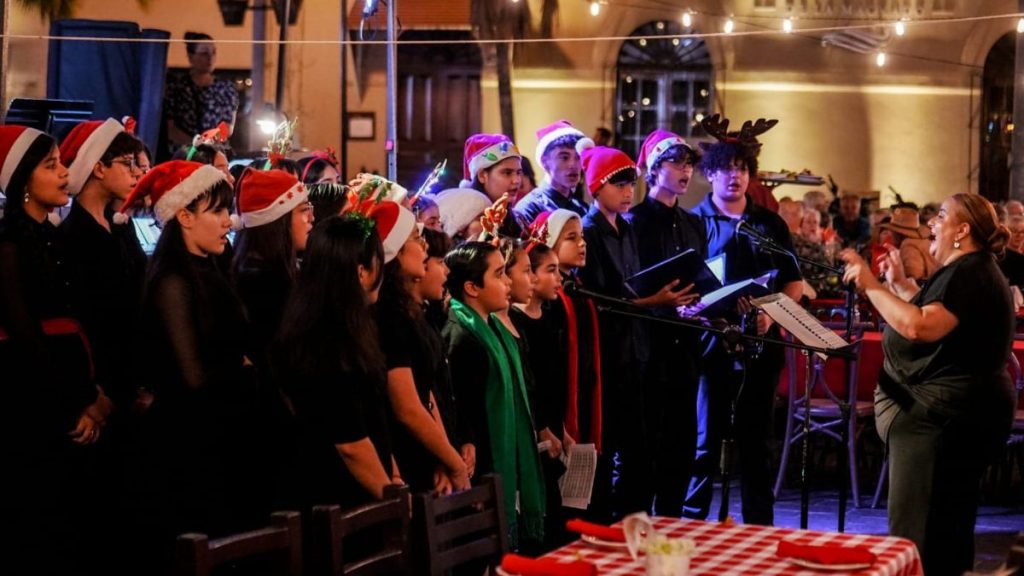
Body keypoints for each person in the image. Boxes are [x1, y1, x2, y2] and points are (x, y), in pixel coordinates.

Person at [840, 193, 1015, 575]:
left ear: (962, 230)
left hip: (942, 426)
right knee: (946, 529)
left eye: (941, 216)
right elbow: (936, 312)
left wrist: (870, 284)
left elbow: (919, 325)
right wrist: (900, 284)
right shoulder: (969, 271)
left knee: (919, 536)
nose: (931, 223)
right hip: (954, 421)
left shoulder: (969, 272)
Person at [0, 125, 110, 574]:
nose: (65, 173)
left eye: (62, 163)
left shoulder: (54, 236)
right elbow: (25, 336)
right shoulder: (9, 242)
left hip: (76, 386)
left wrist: (96, 394)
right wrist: (79, 402)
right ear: (23, 180)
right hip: (36, 402)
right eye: (51, 166)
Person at [686, 123, 803, 526]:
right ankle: (691, 525)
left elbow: (794, 282)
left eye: (742, 168)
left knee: (756, 445)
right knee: (704, 442)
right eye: (726, 168)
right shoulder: (693, 223)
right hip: (709, 345)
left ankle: (759, 529)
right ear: (710, 174)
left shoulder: (769, 224)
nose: (734, 176)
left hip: (761, 346)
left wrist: (773, 312)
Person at [273, 213, 400, 515]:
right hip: (338, 506)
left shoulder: (343, 327)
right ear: (361, 272)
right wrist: (393, 499)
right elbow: (350, 444)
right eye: (379, 261)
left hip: (364, 493)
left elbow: (373, 419)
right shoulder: (327, 341)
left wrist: (394, 477)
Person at [443, 241, 545, 549]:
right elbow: (465, 413)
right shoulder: (461, 337)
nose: (508, 282)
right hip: (481, 471)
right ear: (472, 288)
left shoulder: (495, 331)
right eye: (499, 274)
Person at [628, 129, 706, 516]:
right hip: (649, 345)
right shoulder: (634, 221)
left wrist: (706, 302)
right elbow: (632, 284)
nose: (685, 170)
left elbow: (700, 276)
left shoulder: (693, 223)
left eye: (688, 164)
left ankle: (673, 526)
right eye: (676, 163)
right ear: (654, 169)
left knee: (681, 445)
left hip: (686, 344)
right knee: (645, 448)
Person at [376, 201, 469, 495]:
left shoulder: (415, 313)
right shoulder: (389, 316)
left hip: (429, 453)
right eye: (416, 239)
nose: (425, 247)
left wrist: (444, 456)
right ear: (395, 252)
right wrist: (452, 463)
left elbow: (427, 394)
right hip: (406, 457)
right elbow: (408, 407)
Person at [59, 118, 147, 412]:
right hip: (102, 377)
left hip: (132, 369)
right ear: (99, 168)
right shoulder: (74, 235)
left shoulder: (120, 224)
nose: (137, 172)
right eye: (127, 164)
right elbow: (83, 318)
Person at [509, 239, 570, 548]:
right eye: (550, 270)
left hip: (553, 427)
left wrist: (562, 427)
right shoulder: (513, 322)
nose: (559, 278)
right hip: (535, 431)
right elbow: (527, 386)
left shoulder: (552, 314)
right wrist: (543, 427)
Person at [231, 168, 313, 366]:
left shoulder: (275, 272)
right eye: (304, 210)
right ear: (278, 221)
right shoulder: (263, 284)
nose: (312, 217)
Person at [163, 32, 239, 158]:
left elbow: (227, 127)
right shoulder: (177, 87)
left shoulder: (226, 89)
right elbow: (171, 129)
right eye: (204, 53)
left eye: (213, 52)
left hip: (215, 153)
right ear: (191, 56)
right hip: (185, 154)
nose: (210, 58)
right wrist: (196, 146)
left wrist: (208, 146)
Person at [514, 120, 589, 225]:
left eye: (578, 157)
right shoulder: (529, 208)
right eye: (564, 157)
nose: (573, 165)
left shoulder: (583, 208)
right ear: (545, 161)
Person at [878, 206, 939, 282]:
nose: (890, 234)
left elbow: (913, 276)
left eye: (892, 230)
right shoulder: (923, 241)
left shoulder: (908, 245)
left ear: (898, 233)